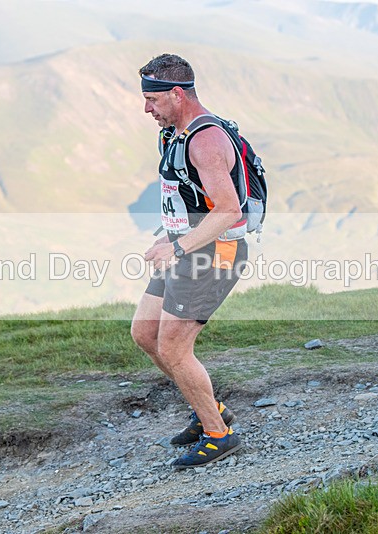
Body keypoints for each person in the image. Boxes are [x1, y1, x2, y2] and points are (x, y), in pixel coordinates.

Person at [131, 53, 248, 469]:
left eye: (152, 100)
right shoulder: (174, 133)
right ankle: (209, 410)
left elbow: (230, 210)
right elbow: (193, 198)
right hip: (188, 245)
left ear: (176, 94)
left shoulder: (206, 140)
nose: (147, 108)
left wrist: (178, 248)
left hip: (215, 252)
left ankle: (220, 435)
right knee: (145, 332)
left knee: (174, 347)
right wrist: (170, 235)